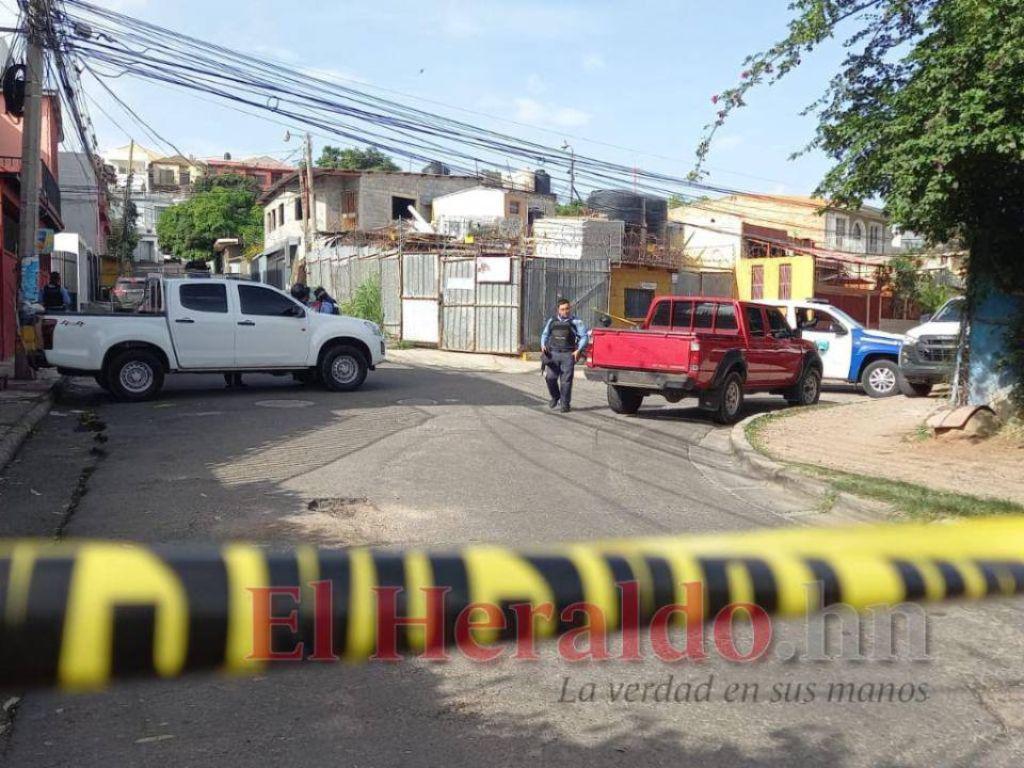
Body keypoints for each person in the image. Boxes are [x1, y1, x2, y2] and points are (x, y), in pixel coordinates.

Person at [540, 298, 588, 413]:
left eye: (567, 309)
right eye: (562, 309)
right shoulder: (552, 321)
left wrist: (578, 350)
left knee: (566, 381)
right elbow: (545, 335)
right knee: (550, 378)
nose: (565, 311)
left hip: (568, 354)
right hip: (553, 354)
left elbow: (584, 336)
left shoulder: (576, 322)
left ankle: (565, 404)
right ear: (558, 310)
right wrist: (543, 345)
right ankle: (555, 397)